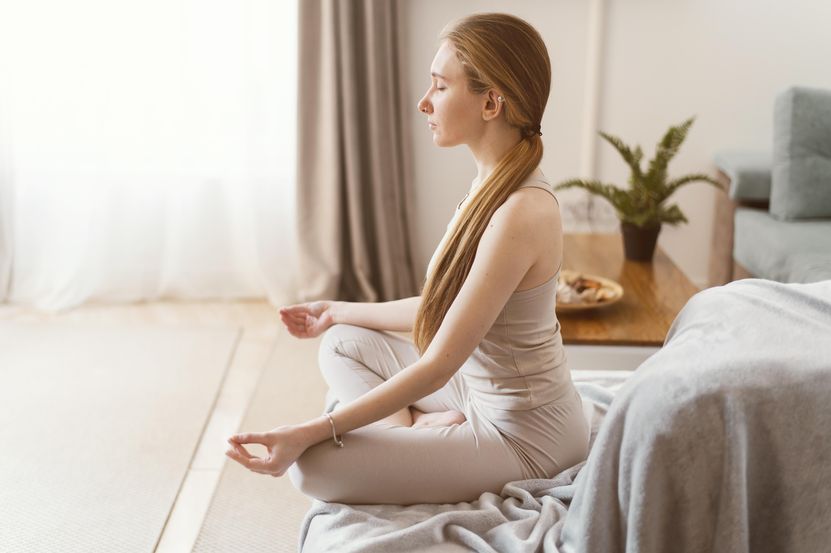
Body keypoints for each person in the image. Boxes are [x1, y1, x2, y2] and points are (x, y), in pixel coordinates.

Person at [225, 12, 590, 506]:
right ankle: (416, 427)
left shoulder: (521, 212)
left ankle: (414, 433)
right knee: (340, 342)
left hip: (525, 434)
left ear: (491, 102)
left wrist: (312, 430)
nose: (424, 102)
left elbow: (439, 363)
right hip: (472, 394)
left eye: (440, 87)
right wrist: (338, 310)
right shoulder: (492, 181)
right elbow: (447, 309)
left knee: (312, 467)